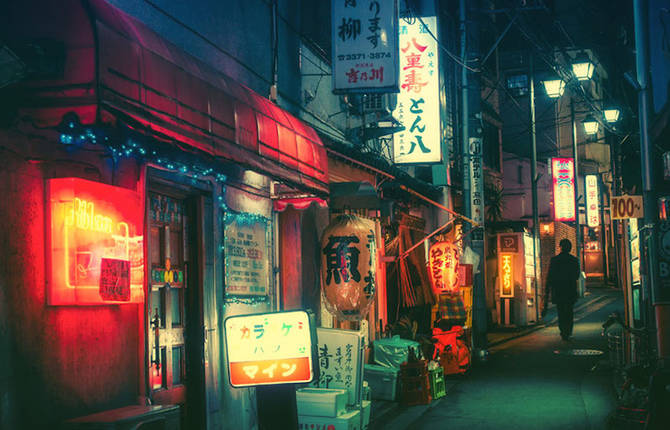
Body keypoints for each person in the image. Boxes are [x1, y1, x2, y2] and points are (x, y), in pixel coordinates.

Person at [545, 238, 580, 341]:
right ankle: (568, 331)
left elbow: (550, 276)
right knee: (569, 311)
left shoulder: (555, 260)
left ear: (560, 247)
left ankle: (563, 332)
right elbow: (577, 275)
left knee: (560, 311)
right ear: (570, 248)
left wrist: (548, 289)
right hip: (570, 290)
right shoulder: (574, 260)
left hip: (559, 290)